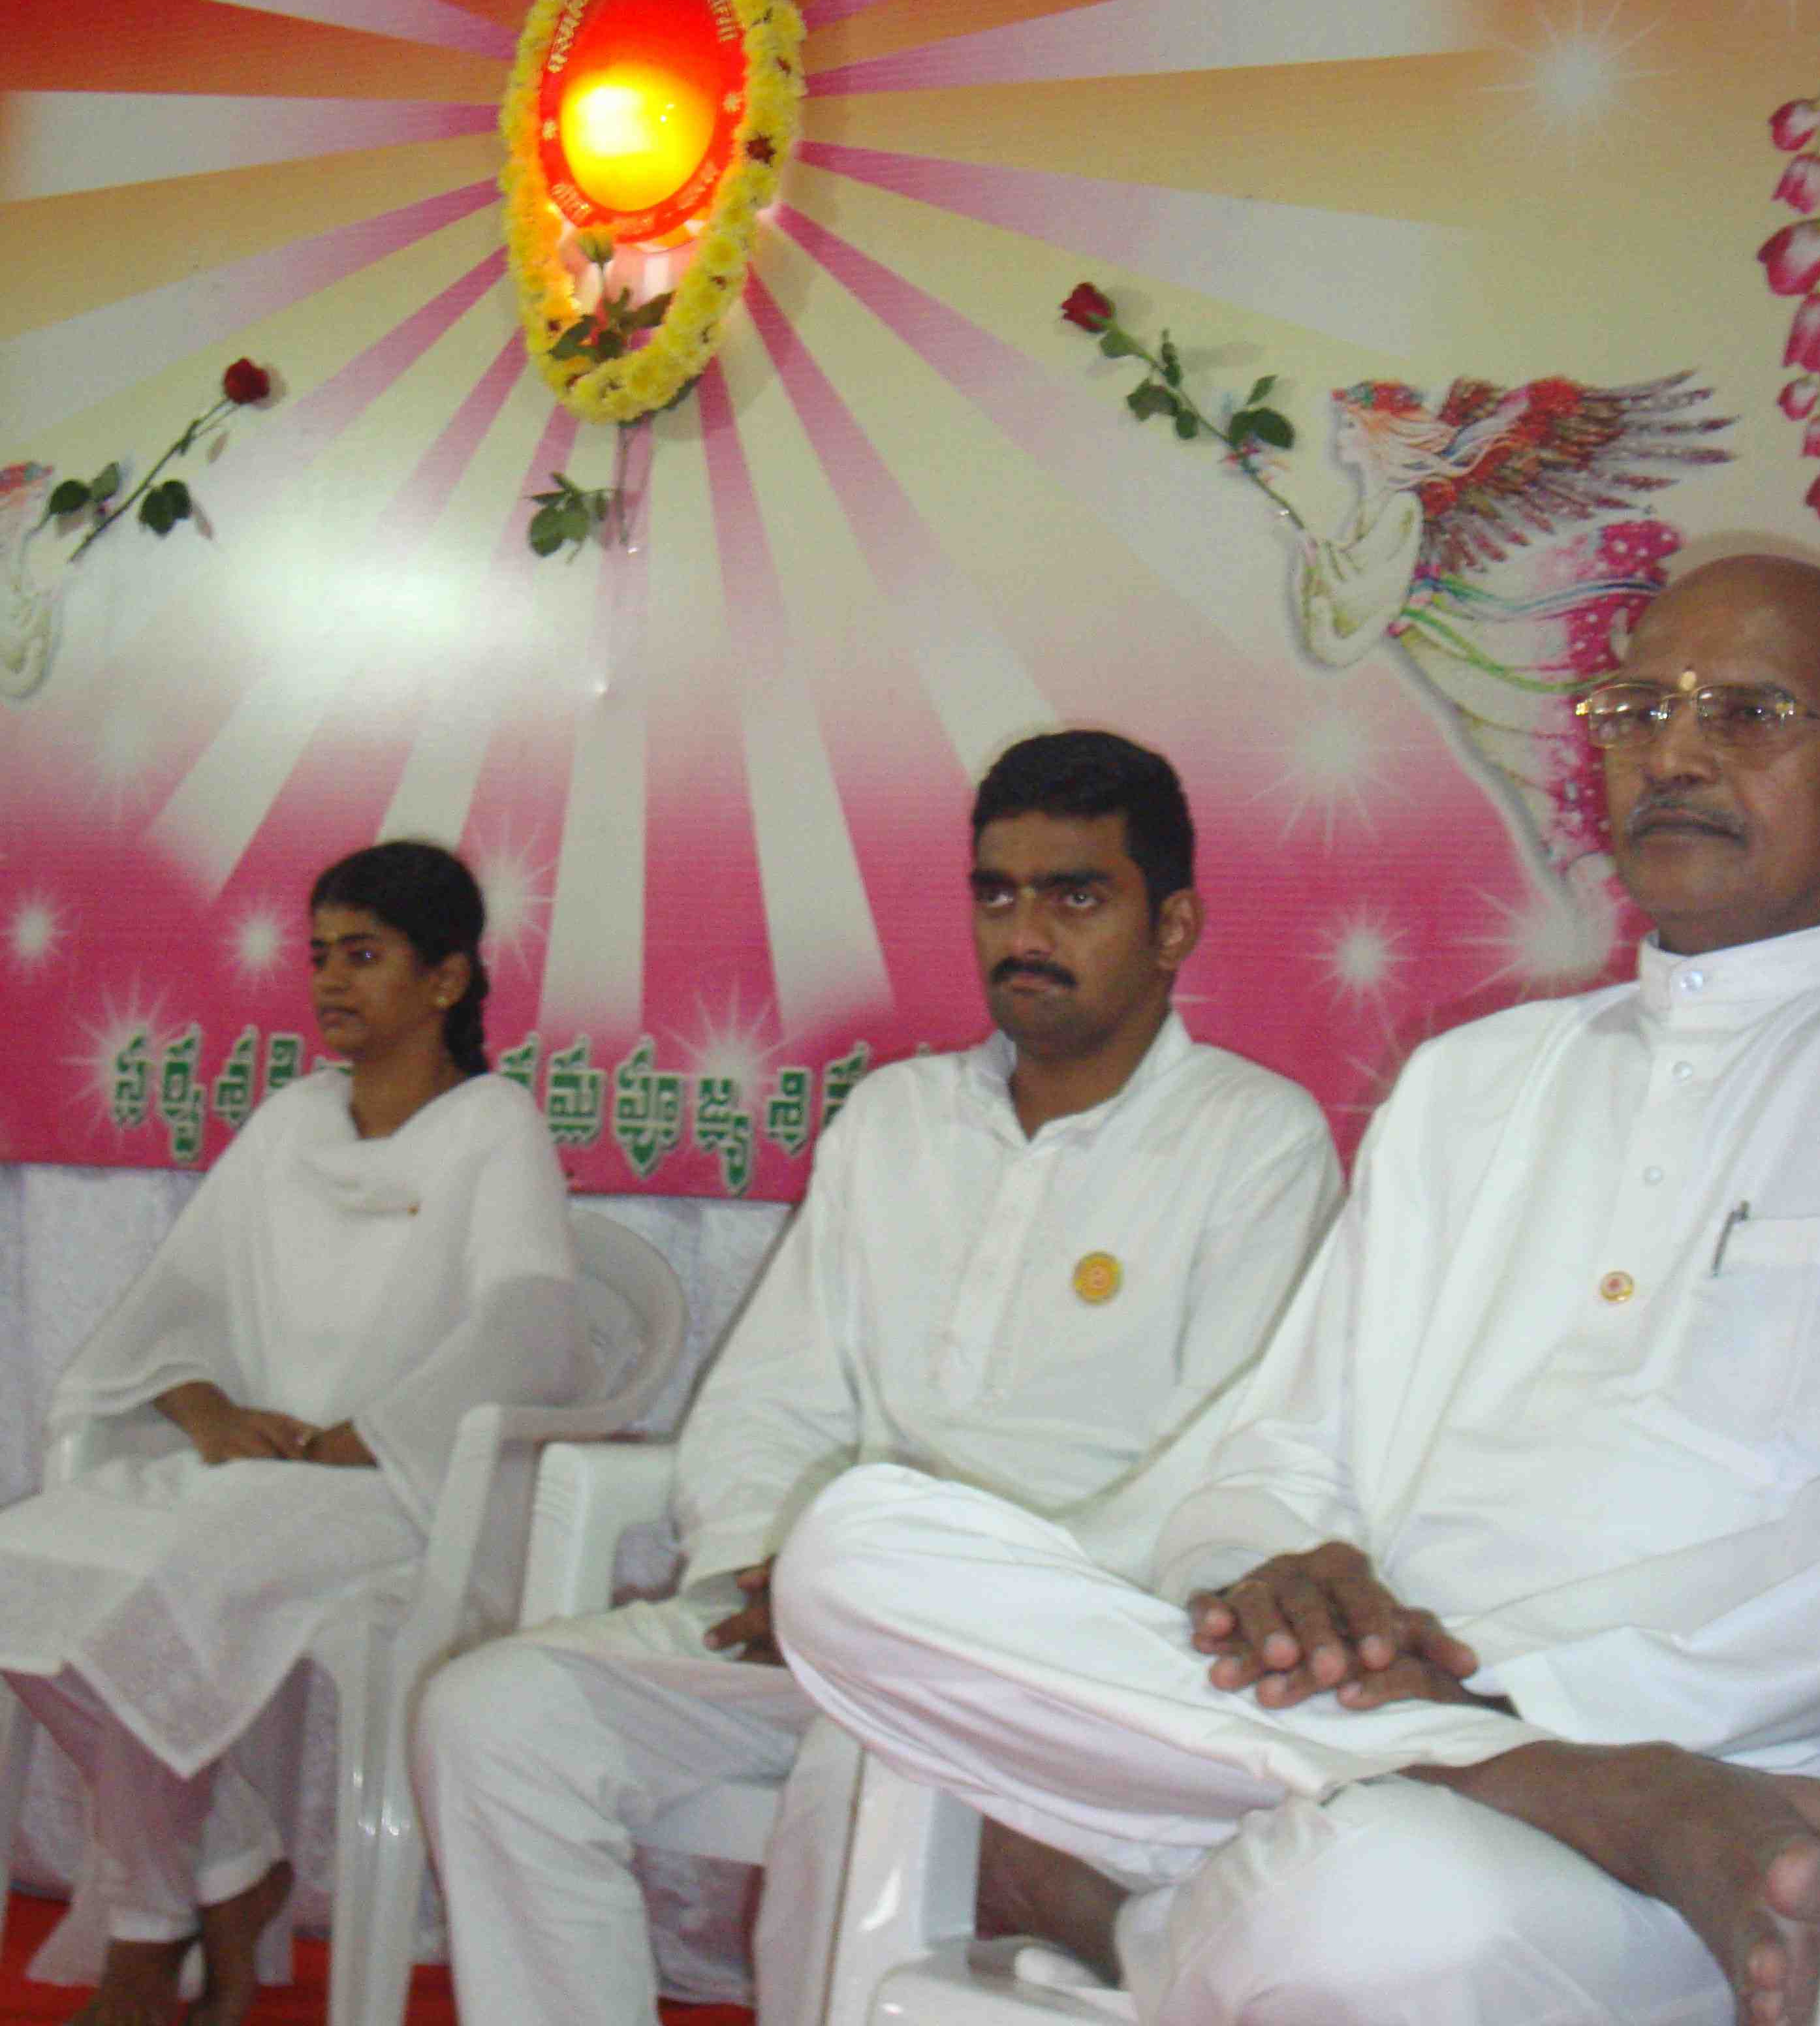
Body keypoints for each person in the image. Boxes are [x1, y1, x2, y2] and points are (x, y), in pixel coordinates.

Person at [773, 554, 1820, 2026]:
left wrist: (1531, 1708)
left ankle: (1162, 1902)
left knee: (1369, 1906)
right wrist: (1285, 1558)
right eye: (1640, 711)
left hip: (1712, 1795)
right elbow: (1281, 1449)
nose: (1677, 754)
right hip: (1396, 1721)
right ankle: (1526, 1790)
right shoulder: (1473, 1083)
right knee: (854, 1552)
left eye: (1749, 713)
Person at [414, 729, 1343, 2026]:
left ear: (1172, 924)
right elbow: (772, 1396)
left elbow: (1228, 1473)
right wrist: (772, 1562)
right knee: (491, 1716)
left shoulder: (1254, 1140)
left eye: (1077, 895)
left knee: (864, 1773)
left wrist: (915, 1605)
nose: (1026, 931)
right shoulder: (897, 1118)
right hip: (815, 1617)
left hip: (1052, 1659)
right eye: (997, 894)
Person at [0, 841, 580, 2026]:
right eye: (319, 956)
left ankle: (148, 1939)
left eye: (363, 955)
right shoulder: (292, 1120)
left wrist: (380, 1431)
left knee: (164, 1591)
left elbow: (530, 1326)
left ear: (446, 979)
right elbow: (178, 1299)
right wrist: (206, 1408)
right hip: (257, 1474)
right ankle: (235, 1863)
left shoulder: (496, 1125)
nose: (329, 981)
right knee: (23, 1574)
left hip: (397, 1490)